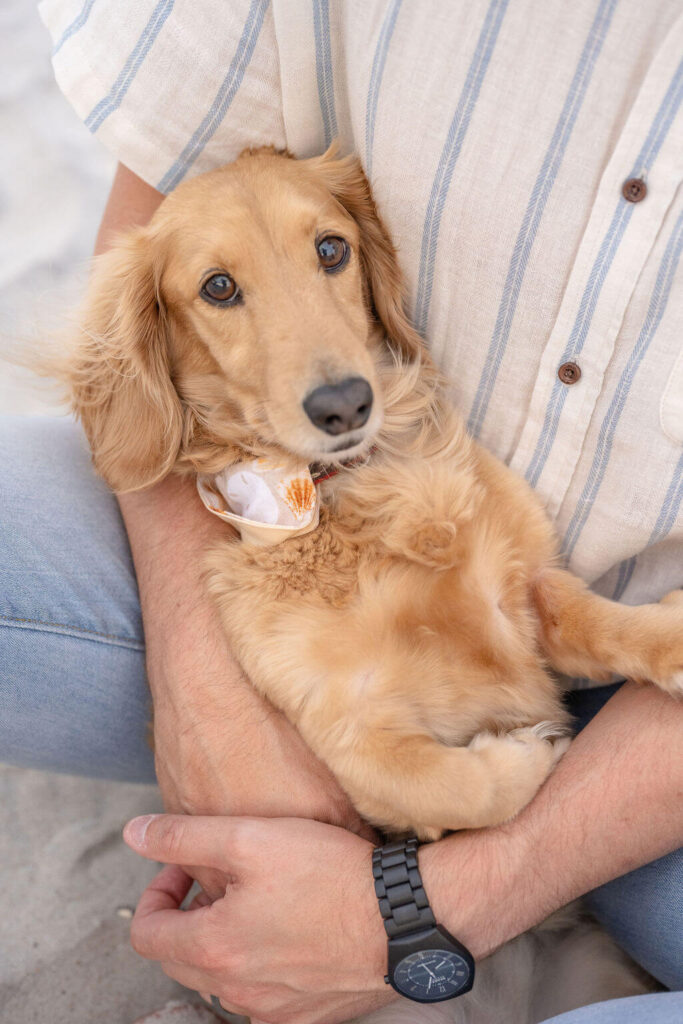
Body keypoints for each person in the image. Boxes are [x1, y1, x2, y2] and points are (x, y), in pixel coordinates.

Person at [2, 0, 681, 1020]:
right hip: (298, 555)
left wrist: (418, 912)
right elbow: (158, 183)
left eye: (329, 254)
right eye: (223, 289)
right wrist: (211, 698)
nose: (331, 374)